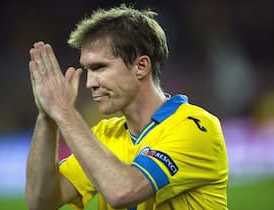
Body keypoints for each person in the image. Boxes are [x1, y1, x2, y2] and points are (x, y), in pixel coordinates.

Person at [26, 4, 229, 210]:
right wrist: (47, 115)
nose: (90, 83)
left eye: (100, 67)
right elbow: (41, 203)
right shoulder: (105, 135)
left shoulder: (195, 127)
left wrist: (63, 111)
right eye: (87, 70)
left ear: (140, 66)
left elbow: (123, 191)